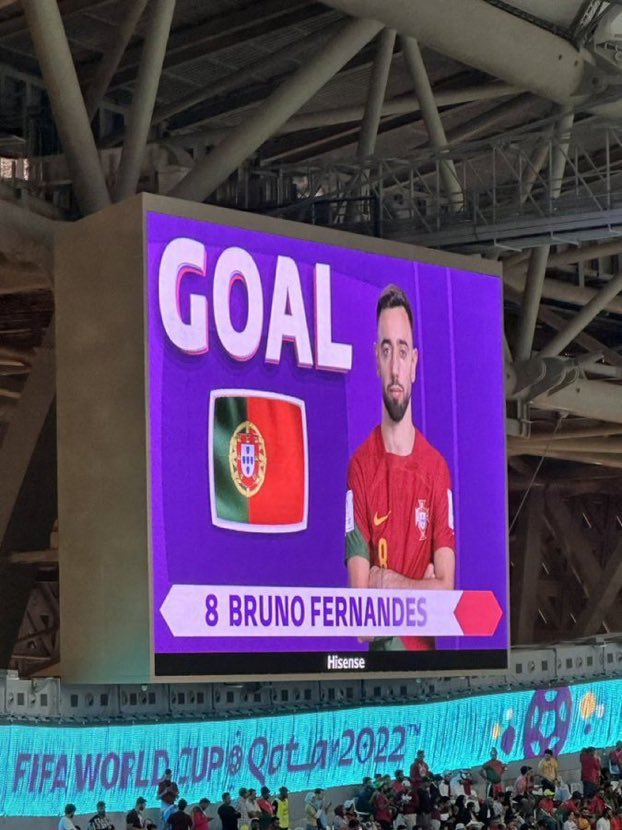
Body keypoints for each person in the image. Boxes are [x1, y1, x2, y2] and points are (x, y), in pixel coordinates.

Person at [346, 283, 456, 651]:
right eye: (387, 350)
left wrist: (389, 582)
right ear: (376, 360)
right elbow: (361, 622)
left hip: (430, 676)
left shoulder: (436, 469)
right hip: (378, 674)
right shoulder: (360, 468)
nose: (395, 367)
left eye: (403, 351)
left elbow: (446, 599)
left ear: (414, 364)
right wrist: (423, 588)